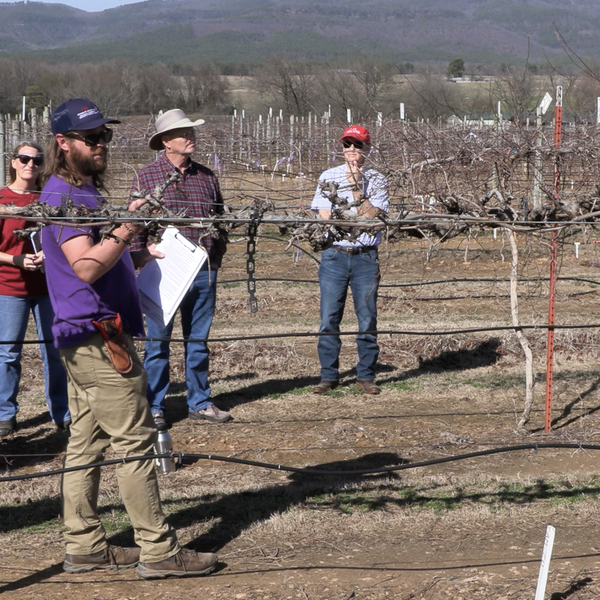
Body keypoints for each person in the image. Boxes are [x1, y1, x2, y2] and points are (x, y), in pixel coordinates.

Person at [40, 98, 217, 578]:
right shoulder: (66, 197)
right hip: (99, 336)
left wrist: (137, 257)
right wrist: (129, 227)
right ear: (62, 142)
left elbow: (95, 260)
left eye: (106, 137)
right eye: (91, 138)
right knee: (136, 444)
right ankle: (159, 553)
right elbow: (84, 265)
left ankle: (85, 547)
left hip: (81, 331)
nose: (101, 145)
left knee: (85, 443)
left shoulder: (77, 193)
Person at [130, 108, 230, 429]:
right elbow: (135, 226)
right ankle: (155, 405)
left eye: (191, 132)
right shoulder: (147, 177)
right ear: (165, 142)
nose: (190, 137)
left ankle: (199, 401)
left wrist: (215, 258)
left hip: (202, 271)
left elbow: (220, 221)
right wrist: (140, 257)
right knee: (158, 342)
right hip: (164, 272)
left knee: (198, 341)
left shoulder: (207, 177)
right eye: (183, 133)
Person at [311, 125, 389, 395]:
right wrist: (346, 220)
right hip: (334, 255)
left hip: (365, 258)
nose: (351, 150)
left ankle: (366, 376)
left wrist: (357, 187)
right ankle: (328, 376)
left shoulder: (377, 179)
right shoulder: (328, 176)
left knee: (367, 317)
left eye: (357, 145)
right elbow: (325, 217)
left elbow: (370, 217)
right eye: (347, 145)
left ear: (368, 149)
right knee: (329, 317)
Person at [0, 141, 70, 436]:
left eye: (37, 160)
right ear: (13, 162)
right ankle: (5, 414)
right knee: (8, 353)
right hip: (9, 287)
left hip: (46, 286)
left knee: (54, 350)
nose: (30, 164)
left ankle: (61, 412)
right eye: (24, 158)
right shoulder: (1, 199)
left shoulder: (49, 198)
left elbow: (64, 236)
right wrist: (16, 259)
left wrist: (50, 255)